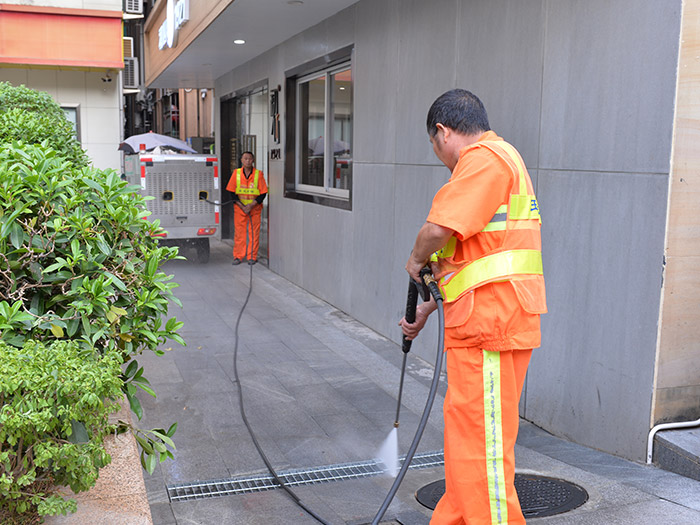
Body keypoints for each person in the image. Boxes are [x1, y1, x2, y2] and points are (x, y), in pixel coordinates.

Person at [400, 89, 547, 525]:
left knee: (481, 450)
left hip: (491, 325)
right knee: (468, 441)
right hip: (486, 321)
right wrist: (429, 307)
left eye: (434, 144)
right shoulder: (500, 162)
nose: (439, 156)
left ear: (443, 132)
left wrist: (414, 260)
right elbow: (478, 258)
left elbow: (438, 229)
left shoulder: (484, 159)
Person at [225, 151, 268, 265]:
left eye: (250, 159)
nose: (248, 161)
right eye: (245, 158)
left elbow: (263, 193)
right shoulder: (236, 173)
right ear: (241, 160)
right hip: (240, 209)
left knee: (254, 233)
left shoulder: (259, 174)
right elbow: (231, 192)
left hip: (254, 208)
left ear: (253, 160)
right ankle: (238, 256)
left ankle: (252, 257)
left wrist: (250, 206)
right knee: (239, 233)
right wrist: (242, 206)